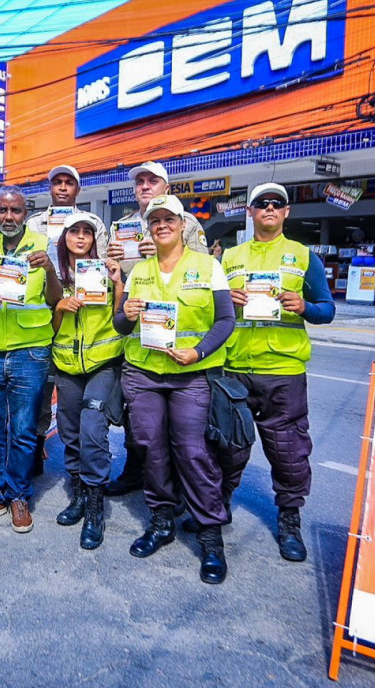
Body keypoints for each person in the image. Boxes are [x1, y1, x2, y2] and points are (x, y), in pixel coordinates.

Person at [112, 195, 235, 583]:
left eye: (169, 219)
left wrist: (198, 352)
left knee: (193, 452)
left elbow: (226, 320)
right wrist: (125, 314)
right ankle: (162, 521)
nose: (162, 225)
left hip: (190, 374)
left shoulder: (208, 266)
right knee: (150, 449)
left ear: (182, 224)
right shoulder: (139, 271)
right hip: (144, 374)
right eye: (155, 220)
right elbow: (121, 325)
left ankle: (210, 538)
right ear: (149, 228)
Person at [213, 182, 336, 564]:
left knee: (289, 453)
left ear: (286, 212)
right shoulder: (229, 258)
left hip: (283, 371)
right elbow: (208, 310)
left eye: (276, 203)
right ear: (250, 212)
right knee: (227, 447)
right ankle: (218, 507)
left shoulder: (303, 257)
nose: (269, 208)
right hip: (234, 368)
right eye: (261, 203)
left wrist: (304, 306)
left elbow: (327, 310)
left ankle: (289, 520)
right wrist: (224, 300)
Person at [104, 160, 211, 496]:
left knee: (180, 427)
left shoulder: (186, 223)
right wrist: (109, 259)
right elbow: (111, 277)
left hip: (177, 333)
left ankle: (176, 484)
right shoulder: (120, 226)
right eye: (140, 182)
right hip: (136, 332)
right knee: (138, 416)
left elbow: (203, 267)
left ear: (167, 187)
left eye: (152, 181)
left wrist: (166, 250)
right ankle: (135, 470)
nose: (145, 186)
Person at [0, 186, 60, 533]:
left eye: (15, 210)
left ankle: (18, 495)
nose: (8, 217)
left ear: (25, 213)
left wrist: (49, 268)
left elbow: (55, 298)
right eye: (2, 210)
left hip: (30, 350)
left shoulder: (44, 244)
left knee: (23, 430)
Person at [24, 165, 110, 478]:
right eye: (57, 182)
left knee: (74, 400)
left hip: (83, 310)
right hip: (41, 310)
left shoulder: (93, 222)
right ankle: (35, 447)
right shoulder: (35, 222)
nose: (62, 187)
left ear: (78, 189)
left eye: (68, 183)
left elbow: (99, 262)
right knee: (40, 390)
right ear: (49, 187)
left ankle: (89, 469)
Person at [50, 211, 123, 550]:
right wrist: (60, 308)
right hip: (66, 365)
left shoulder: (105, 271)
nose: (81, 237)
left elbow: (121, 318)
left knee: (92, 428)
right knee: (69, 432)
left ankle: (95, 506)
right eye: (74, 231)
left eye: (87, 232)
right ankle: (78, 494)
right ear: (63, 237)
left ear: (94, 239)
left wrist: (118, 283)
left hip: (102, 364)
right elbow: (50, 328)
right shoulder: (55, 277)